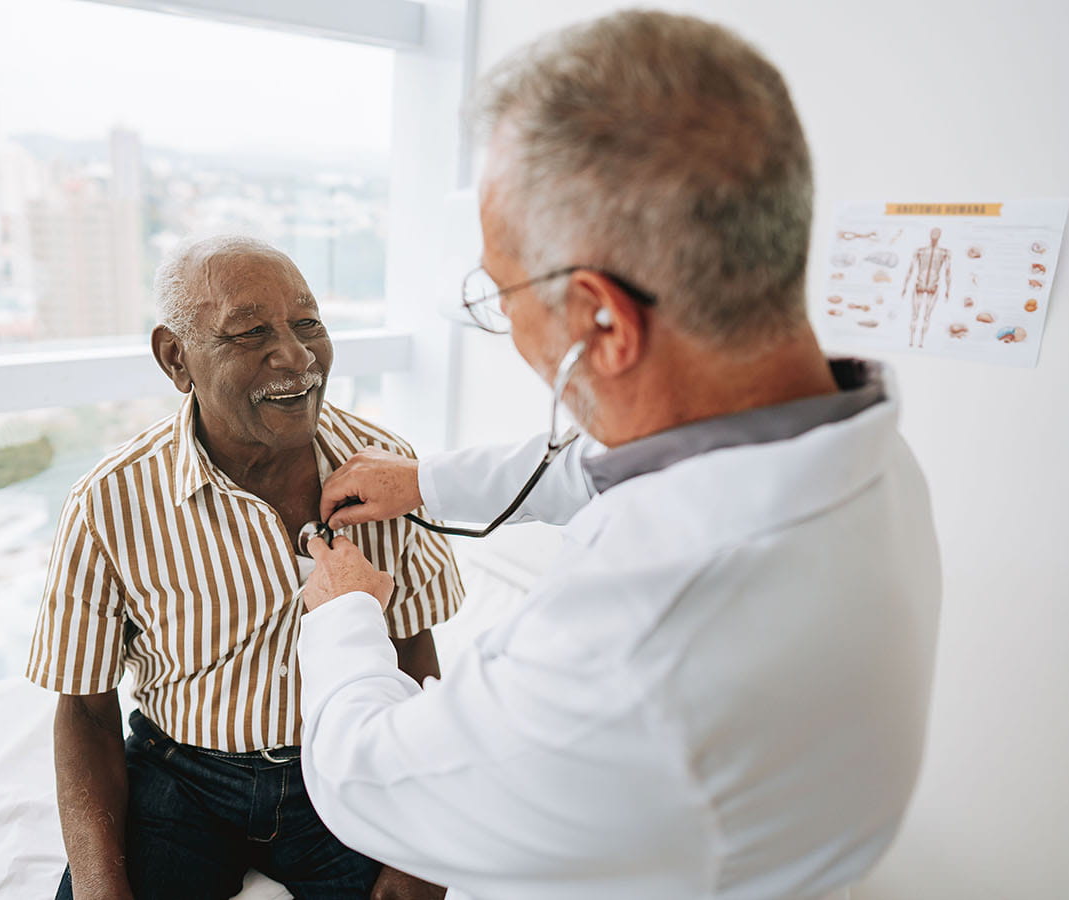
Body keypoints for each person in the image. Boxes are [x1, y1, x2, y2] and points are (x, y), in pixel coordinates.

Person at [293, 11, 942, 900]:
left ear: (602, 321)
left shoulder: (637, 647)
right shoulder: (854, 450)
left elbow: (363, 776)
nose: (503, 319)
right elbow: (613, 469)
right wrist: (426, 481)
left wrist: (343, 613)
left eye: (498, 290)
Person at [26, 235, 460, 900]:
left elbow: (412, 654)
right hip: (182, 777)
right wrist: (97, 883)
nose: (294, 354)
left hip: (339, 766)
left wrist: (420, 850)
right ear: (176, 358)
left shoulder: (387, 465)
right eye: (251, 330)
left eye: (307, 322)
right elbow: (84, 708)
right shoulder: (109, 501)